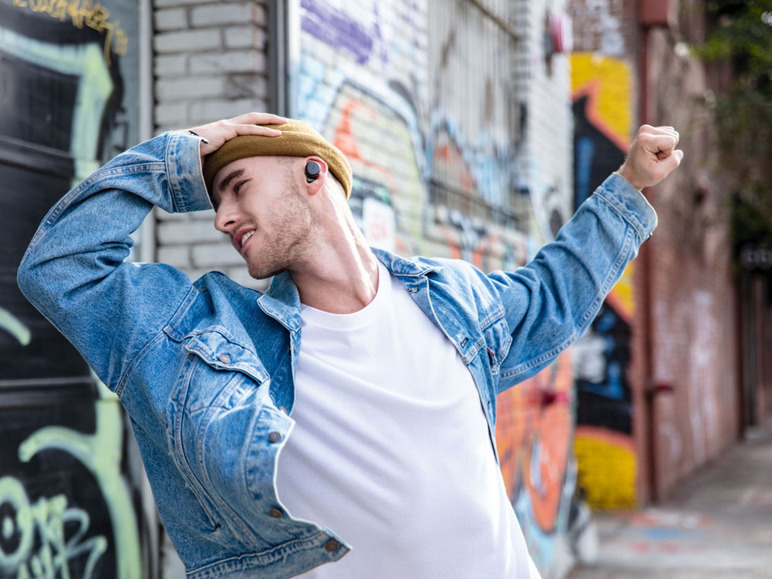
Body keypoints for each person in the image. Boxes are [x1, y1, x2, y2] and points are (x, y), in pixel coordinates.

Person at [17, 112, 682, 578]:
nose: (219, 217)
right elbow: (59, 267)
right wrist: (182, 162)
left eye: (237, 187)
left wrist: (628, 186)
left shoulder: (449, 300)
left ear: (312, 174)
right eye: (214, 197)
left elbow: (552, 292)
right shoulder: (203, 337)